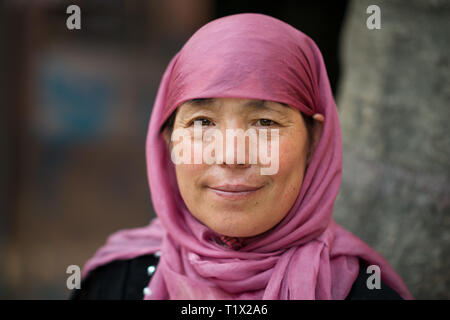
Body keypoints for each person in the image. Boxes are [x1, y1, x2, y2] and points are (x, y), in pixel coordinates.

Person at [71, 13, 412, 300]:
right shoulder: (110, 284)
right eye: (203, 122)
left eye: (265, 122)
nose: (233, 156)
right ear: (169, 139)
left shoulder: (365, 292)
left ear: (314, 141)